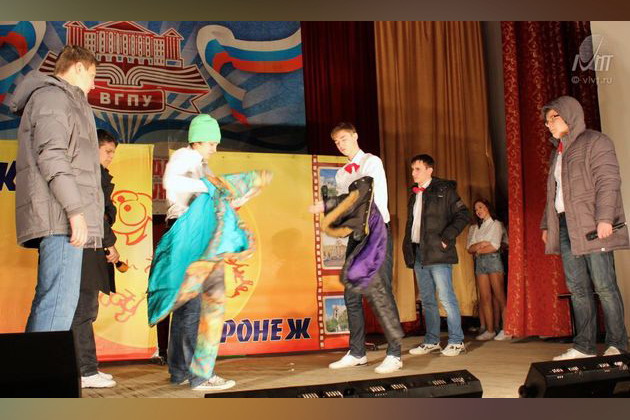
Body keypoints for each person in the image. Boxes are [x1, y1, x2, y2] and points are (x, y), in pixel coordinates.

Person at [147, 114, 271, 391]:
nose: (215, 148)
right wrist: (218, 187)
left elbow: (212, 198)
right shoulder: (184, 158)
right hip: (191, 234)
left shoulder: (200, 165)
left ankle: (180, 370)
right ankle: (200, 376)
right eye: (211, 143)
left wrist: (236, 195)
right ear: (197, 140)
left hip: (196, 233)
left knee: (187, 305)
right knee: (203, 307)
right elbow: (176, 186)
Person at [10, 45, 102, 332]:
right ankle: (41, 364)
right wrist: (75, 211)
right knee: (58, 304)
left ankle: (32, 362)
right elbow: (53, 156)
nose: (94, 84)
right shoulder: (53, 98)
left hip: (59, 215)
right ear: (78, 67)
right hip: (60, 217)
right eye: (92, 75)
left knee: (52, 301)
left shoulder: (61, 100)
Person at [309, 122, 403, 374]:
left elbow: (362, 195)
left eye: (344, 139)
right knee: (351, 294)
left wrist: (329, 205)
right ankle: (357, 352)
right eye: (336, 141)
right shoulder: (341, 174)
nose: (340, 144)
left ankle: (395, 354)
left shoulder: (372, 162)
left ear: (355, 136)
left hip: (377, 232)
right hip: (357, 236)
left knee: (382, 292)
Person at [540, 96, 629, 360]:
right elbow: (554, 192)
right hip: (565, 225)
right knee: (578, 288)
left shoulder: (596, 141)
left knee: (604, 285)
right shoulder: (557, 152)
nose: (548, 124)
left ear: (569, 115)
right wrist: (547, 224)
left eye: (552, 118)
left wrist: (605, 218)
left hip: (591, 224)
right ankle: (584, 346)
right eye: (546, 120)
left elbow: (608, 181)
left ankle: (618, 344)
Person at [402, 154, 470, 356]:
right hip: (419, 253)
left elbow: (463, 214)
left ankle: (456, 341)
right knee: (427, 299)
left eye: (418, 169)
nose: (413, 173)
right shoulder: (414, 194)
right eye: (412, 169)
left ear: (430, 170)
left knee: (446, 297)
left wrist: (447, 237)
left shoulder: (444, 190)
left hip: (438, 253)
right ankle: (432, 340)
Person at [70, 129, 119, 389]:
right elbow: (96, 214)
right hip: (86, 247)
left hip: (90, 247)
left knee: (85, 309)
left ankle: (86, 368)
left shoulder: (98, 175)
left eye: (113, 152)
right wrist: (109, 243)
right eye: (107, 151)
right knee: (83, 310)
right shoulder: (89, 175)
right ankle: (86, 370)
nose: (111, 156)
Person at [467, 199, 510, 341]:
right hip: (480, 263)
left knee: (500, 296)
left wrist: (479, 249)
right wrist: (481, 244)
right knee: (485, 297)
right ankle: (490, 330)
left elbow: (495, 246)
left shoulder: (496, 224)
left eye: (480, 207)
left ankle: (507, 329)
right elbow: (470, 248)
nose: (478, 211)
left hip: (493, 261)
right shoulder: (476, 227)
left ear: (487, 207)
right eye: (476, 209)